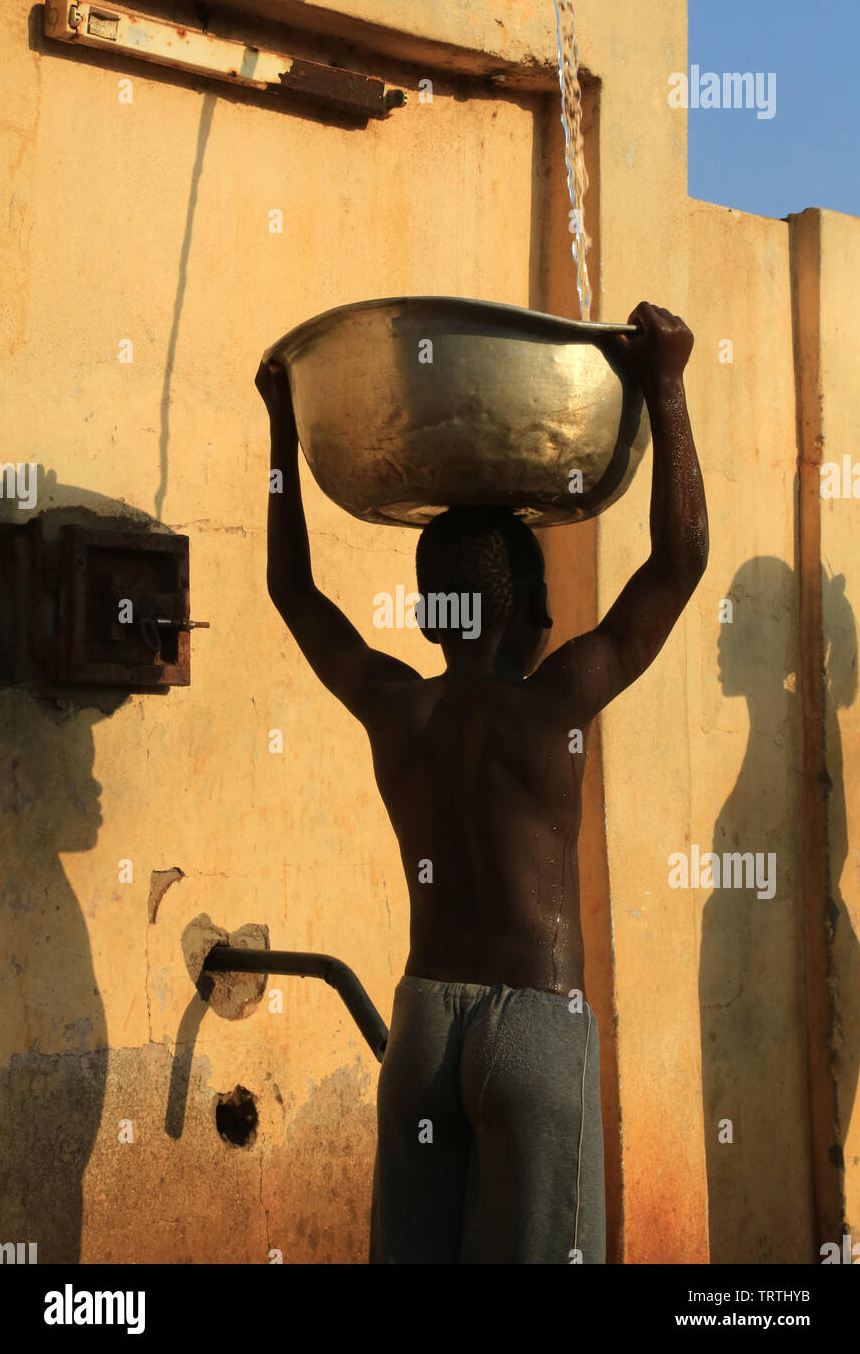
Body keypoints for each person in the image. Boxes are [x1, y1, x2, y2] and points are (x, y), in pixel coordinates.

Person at [256, 301, 708, 1263]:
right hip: (535, 1031)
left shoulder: (395, 706)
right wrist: (666, 387)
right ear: (539, 607)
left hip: (423, 1026)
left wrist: (281, 429)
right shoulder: (556, 706)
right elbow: (679, 562)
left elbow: (293, 592)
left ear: (427, 614)